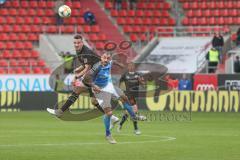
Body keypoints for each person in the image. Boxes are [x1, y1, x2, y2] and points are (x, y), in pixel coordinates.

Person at [47, 35, 119, 125]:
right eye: (75, 43)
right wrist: (78, 70)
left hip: (96, 75)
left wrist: (77, 77)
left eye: (78, 43)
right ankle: (112, 117)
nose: (76, 44)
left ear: (82, 43)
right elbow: (85, 65)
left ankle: (60, 112)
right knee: (94, 101)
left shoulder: (86, 52)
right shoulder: (79, 51)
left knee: (77, 91)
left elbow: (87, 68)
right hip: (95, 75)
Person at [85, 52, 139, 144]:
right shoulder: (97, 67)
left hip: (109, 86)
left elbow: (113, 61)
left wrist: (120, 64)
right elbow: (86, 78)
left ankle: (134, 116)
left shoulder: (109, 62)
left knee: (124, 98)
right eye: (104, 58)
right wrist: (94, 86)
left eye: (108, 58)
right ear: (101, 58)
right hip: (100, 90)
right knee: (109, 113)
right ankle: (108, 134)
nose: (106, 60)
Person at [118, 63, 146, 134]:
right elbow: (120, 83)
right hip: (128, 96)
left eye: (132, 66)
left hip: (135, 96)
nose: (131, 67)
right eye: (129, 66)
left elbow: (144, 86)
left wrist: (141, 82)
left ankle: (120, 124)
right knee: (133, 113)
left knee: (127, 113)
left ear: (134, 67)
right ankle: (136, 129)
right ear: (128, 67)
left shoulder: (138, 75)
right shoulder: (125, 75)